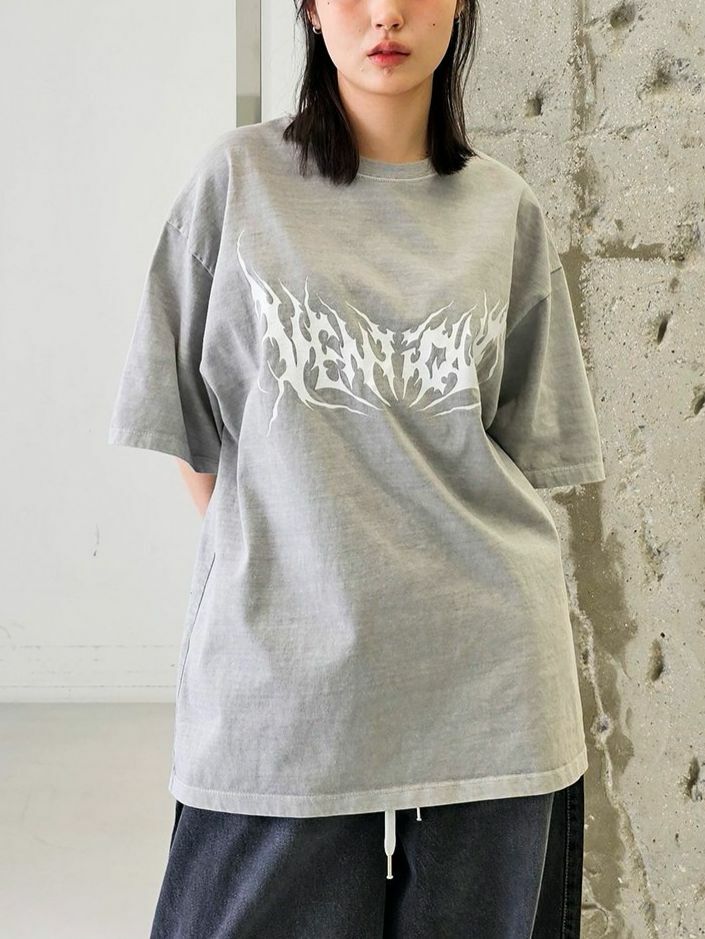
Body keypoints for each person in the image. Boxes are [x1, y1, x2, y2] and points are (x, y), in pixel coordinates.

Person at [108, 1, 605, 936]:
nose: (385, 14)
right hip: (282, 679)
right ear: (306, 7)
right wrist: (290, 555)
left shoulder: (503, 209)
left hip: (489, 674)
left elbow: (522, 449)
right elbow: (190, 434)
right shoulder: (238, 181)